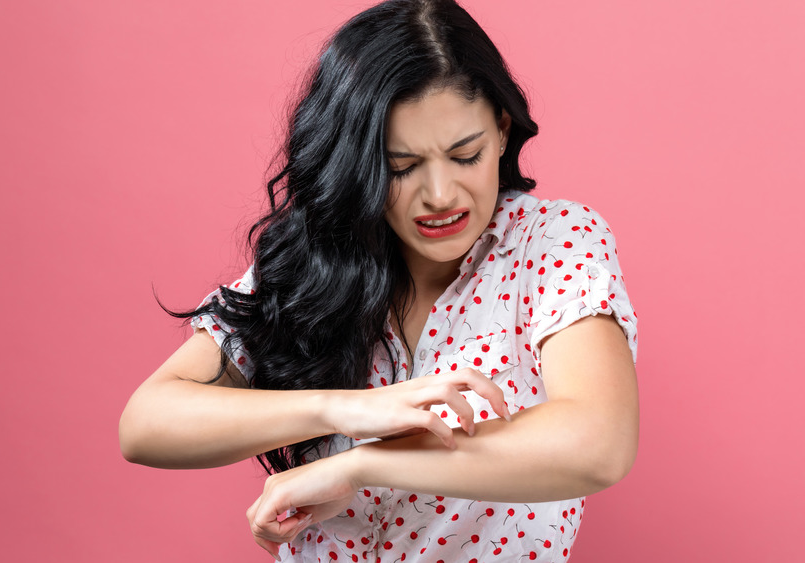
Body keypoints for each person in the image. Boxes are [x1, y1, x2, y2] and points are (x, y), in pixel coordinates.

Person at [119, 0, 639, 560]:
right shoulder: (315, 262)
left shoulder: (552, 241)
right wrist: (342, 408)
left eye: (466, 154)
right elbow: (146, 424)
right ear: (356, 164)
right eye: (401, 166)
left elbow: (598, 444)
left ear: (503, 131)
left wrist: (360, 466)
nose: (440, 195)